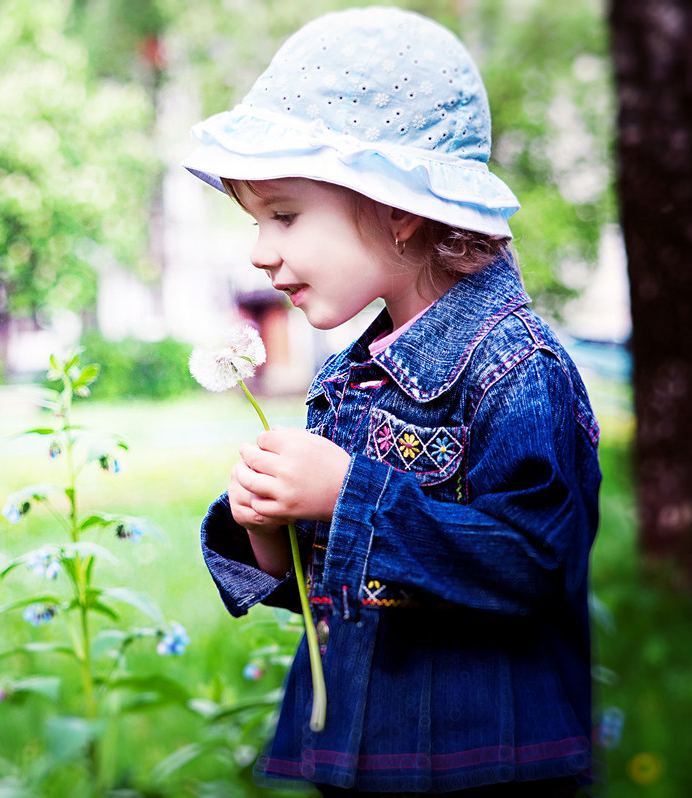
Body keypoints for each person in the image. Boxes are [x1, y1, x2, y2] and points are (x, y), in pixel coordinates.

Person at [182, 7, 601, 796]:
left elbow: (535, 563)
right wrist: (270, 524)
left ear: (400, 207)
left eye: (285, 214)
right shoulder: (350, 378)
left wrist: (349, 495)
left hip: (487, 768)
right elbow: (333, 582)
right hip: (364, 757)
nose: (260, 251)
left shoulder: (516, 371)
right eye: (256, 220)